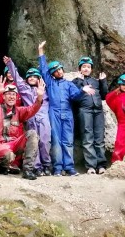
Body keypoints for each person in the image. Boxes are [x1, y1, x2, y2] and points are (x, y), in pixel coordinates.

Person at [38, 41, 92, 176]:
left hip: (67, 113)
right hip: (54, 112)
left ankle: (69, 167)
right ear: (52, 74)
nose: (59, 72)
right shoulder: (49, 83)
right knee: (56, 141)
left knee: (68, 141)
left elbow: (75, 97)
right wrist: (40, 51)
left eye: (60, 69)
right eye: (56, 71)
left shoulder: (68, 84)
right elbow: (43, 68)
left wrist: (82, 90)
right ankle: (57, 168)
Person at [0, 76, 45, 180]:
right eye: (8, 94)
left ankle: (28, 170)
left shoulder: (19, 111)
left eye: (13, 94)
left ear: (16, 97)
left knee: (32, 133)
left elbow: (32, 109)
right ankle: (3, 165)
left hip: (15, 144)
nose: (11, 96)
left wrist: (39, 97)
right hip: (0, 145)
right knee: (9, 156)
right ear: (3, 97)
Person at [4, 56, 52, 176]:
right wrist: (10, 64)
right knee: (33, 142)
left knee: (45, 142)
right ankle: (37, 167)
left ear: (38, 79)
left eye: (35, 76)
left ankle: (47, 165)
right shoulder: (24, 89)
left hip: (44, 118)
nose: (32, 78)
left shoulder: (45, 89)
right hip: (31, 119)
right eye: (30, 76)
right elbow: (16, 77)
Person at [72, 57, 108, 175]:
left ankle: (101, 165)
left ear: (91, 69)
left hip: (98, 110)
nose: (86, 69)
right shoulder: (75, 81)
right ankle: (91, 166)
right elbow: (74, 96)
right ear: (80, 69)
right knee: (87, 138)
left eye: (88, 67)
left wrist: (103, 81)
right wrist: (79, 80)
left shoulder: (95, 81)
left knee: (99, 137)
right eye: (84, 67)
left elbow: (104, 95)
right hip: (84, 110)